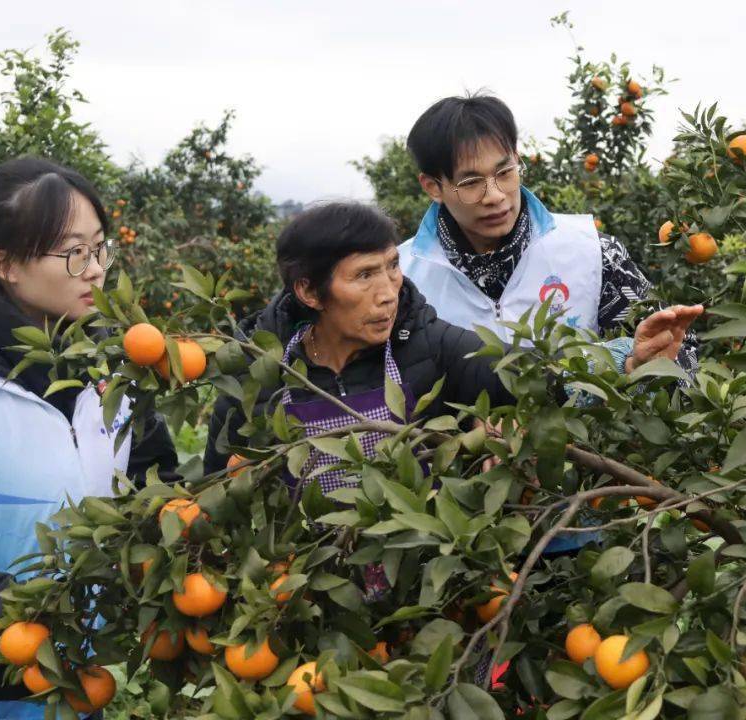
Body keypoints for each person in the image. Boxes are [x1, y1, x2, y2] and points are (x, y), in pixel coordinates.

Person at [203, 201, 700, 482]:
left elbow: (529, 381)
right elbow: (218, 485)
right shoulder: (258, 371)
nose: (387, 293)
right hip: (303, 603)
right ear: (309, 291)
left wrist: (628, 360)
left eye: (392, 268)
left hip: (421, 596)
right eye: (363, 276)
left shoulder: (426, 341)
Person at [0, 159, 178, 718]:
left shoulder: (119, 369)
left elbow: (153, 482)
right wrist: (42, 639)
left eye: (100, 247)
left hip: (77, 689)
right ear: (4, 264)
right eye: (74, 253)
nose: (95, 270)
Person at [398, 92, 701, 377]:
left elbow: (679, 352)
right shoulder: (400, 280)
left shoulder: (594, 253)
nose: (495, 196)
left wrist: (644, 365)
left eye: (505, 173)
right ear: (433, 187)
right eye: (471, 183)